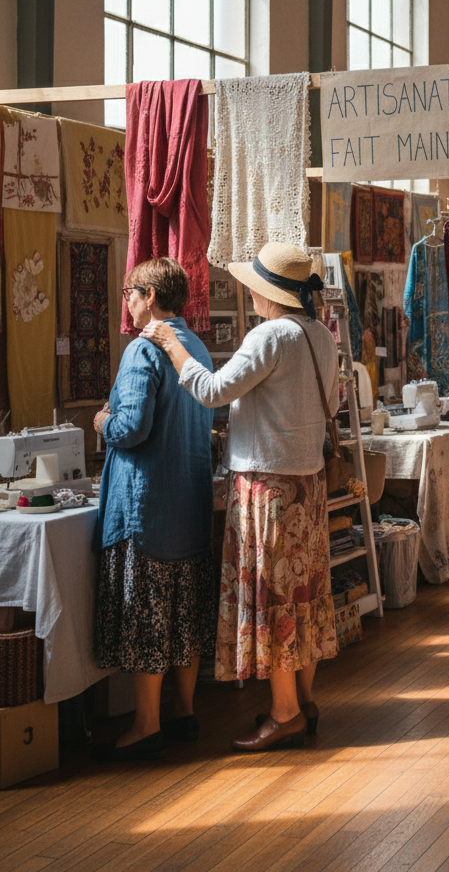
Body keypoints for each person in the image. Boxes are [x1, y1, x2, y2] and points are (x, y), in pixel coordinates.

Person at [142, 243, 339, 752]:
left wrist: (171, 344)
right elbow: (329, 403)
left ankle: (285, 712)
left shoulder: (269, 336)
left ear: (264, 291)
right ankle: (303, 699)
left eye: (252, 285)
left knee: (275, 594)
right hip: (307, 485)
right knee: (304, 594)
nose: (247, 292)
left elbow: (210, 391)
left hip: (268, 489)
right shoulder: (319, 335)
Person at [92, 258, 215, 761]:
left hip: (149, 506)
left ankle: (146, 724)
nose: (127, 302)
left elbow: (133, 428)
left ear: (148, 295)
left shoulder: (143, 349)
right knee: (185, 611)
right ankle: (183, 711)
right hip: (190, 500)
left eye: (129, 293)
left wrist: (102, 421)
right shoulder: (198, 347)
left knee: (147, 614)